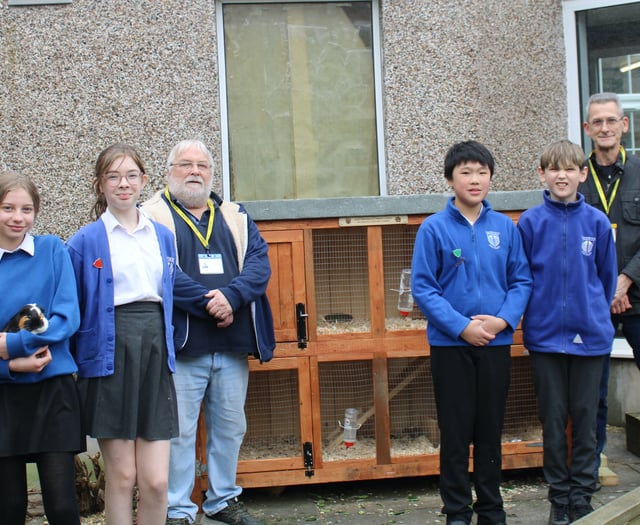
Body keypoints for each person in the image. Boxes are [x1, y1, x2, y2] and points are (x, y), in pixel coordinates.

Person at [67, 143, 213, 525]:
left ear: (144, 181)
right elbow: (73, 306)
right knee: (123, 476)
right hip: (109, 356)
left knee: (156, 481)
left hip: (154, 355)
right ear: (100, 185)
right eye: (113, 177)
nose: (123, 184)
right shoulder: (85, 242)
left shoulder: (162, 236)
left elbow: (170, 291)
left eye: (131, 176)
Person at [143, 139, 275, 525]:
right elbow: (160, 269)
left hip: (232, 344)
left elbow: (258, 265)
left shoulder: (234, 215)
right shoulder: (152, 216)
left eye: (202, 165)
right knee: (180, 432)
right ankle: (179, 508)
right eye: (185, 165)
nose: (194, 172)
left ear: (211, 173)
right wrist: (208, 302)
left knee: (231, 426)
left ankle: (223, 501)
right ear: (169, 171)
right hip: (183, 346)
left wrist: (231, 297)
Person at [411, 141, 532, 525]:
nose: (474, 179)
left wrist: (500, 323)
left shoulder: (504, 228)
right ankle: (457, 512)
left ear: (491, 177)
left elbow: (521, 281)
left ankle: (492, 510)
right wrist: (462, 327)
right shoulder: (434, 229)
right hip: (451, 347)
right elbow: (424, 288)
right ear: (450, 179)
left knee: (490, 430)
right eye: (465, 172)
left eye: (481, 172)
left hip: (495, 344)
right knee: (456, 431)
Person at [518, 140, 617, 524]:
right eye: (554, 169)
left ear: (582, 174)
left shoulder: (596, 223)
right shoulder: (529, 222)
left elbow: (605, 280)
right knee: (554, 421)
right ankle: (559, 500)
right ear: (542, 174)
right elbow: (522, 276)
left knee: (587, 419)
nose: (562, 175)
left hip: (590, 340)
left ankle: (582, 497)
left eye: (570, 168)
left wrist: (589, 313)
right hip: (544, 339)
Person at [0, 171, 83, 525]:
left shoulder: (52, 250)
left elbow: (66, 319)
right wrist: (11, 366)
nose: (18, 217)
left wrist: (13, 344)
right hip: (3, 394)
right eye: (7, 208)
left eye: (26, 209)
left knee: (63, 506)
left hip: (53, 390)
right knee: (9, 508)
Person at [578, 92, 640, 485]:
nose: (604, 128)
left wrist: (626, 279)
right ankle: (596, 458)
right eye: (597, 122)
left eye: (610, 121)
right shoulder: (577, 177)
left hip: (638, 292)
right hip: (593, 301)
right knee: (593, 387)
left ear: (624, 125)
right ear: (587, 129)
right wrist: (606, 288)